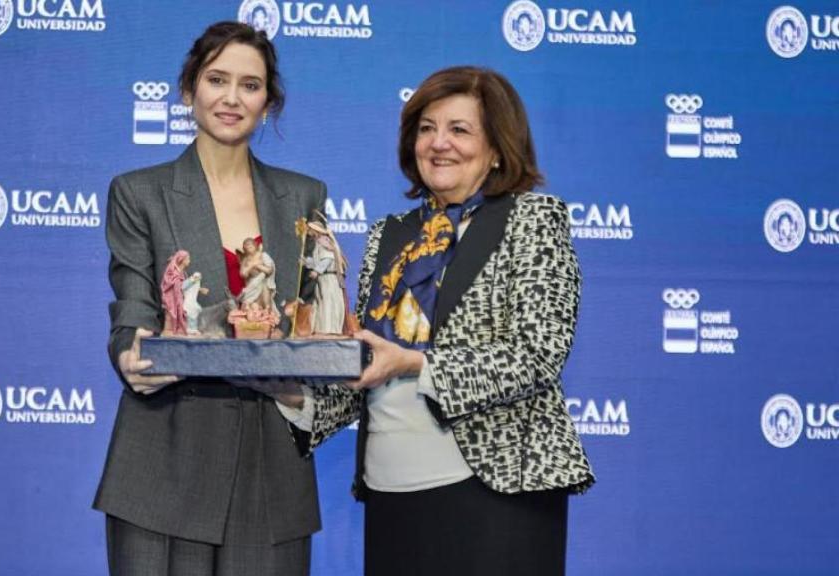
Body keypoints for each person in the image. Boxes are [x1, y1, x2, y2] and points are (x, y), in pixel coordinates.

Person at [276, 66, 596, 576]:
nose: (438, 143)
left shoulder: (532, 220)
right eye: (426, 128)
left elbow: (539, 353)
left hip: (494, 490)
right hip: (390, 488)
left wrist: (415, 363)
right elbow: (370, 366)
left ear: (496, 148)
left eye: (459, 129)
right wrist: (294, 394)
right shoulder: (389, 234)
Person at [94, 21, 326, 576]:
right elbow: (132, 307)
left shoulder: (304, 196)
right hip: (164, 460)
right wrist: (133, 354)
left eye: (250, 85)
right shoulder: (138, 192)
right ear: (188, 91)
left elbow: (311, 323)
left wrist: (302, 386)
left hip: (271, 469)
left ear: (268, 102)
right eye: (216, 79)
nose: (231, 97)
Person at [301, 221, 347, 334]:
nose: (309, 233)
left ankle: (329, 328)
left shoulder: (324, 242)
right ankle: (320, 327)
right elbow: (318, 261)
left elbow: (328, 258)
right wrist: (306, 262)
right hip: (322, 279)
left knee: (328, 301)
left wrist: (317, 271)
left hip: (329, 279)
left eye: (310, 230)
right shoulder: (318, 243)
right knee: (321, 301)